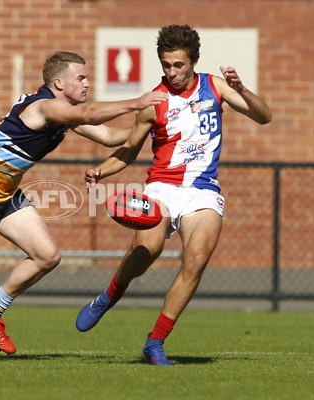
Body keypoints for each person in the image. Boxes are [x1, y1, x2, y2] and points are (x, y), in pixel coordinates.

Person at [0, 51, 167, 361]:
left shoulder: (62, 112)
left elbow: (107, 136)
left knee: (47, 256)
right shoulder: (44, 107)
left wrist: (151, 127)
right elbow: (90, 116)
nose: (86, 83)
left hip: (4, 193)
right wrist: (138, 102)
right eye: (80, 78)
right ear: (58, 82)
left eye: (86, 77)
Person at [76, 25, 272, 366]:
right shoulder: (154, 103)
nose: (171, 72)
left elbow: (264, 116)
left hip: (203, 192)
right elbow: (128, 150)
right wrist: (101, 170)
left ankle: (155, 342)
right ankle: (108, 295)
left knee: (195, 261)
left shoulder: (216, 86)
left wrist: (241, 88)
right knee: (147, 250)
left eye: (177, 65)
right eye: (165, 65)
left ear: (193, 61)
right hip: (162, 187)